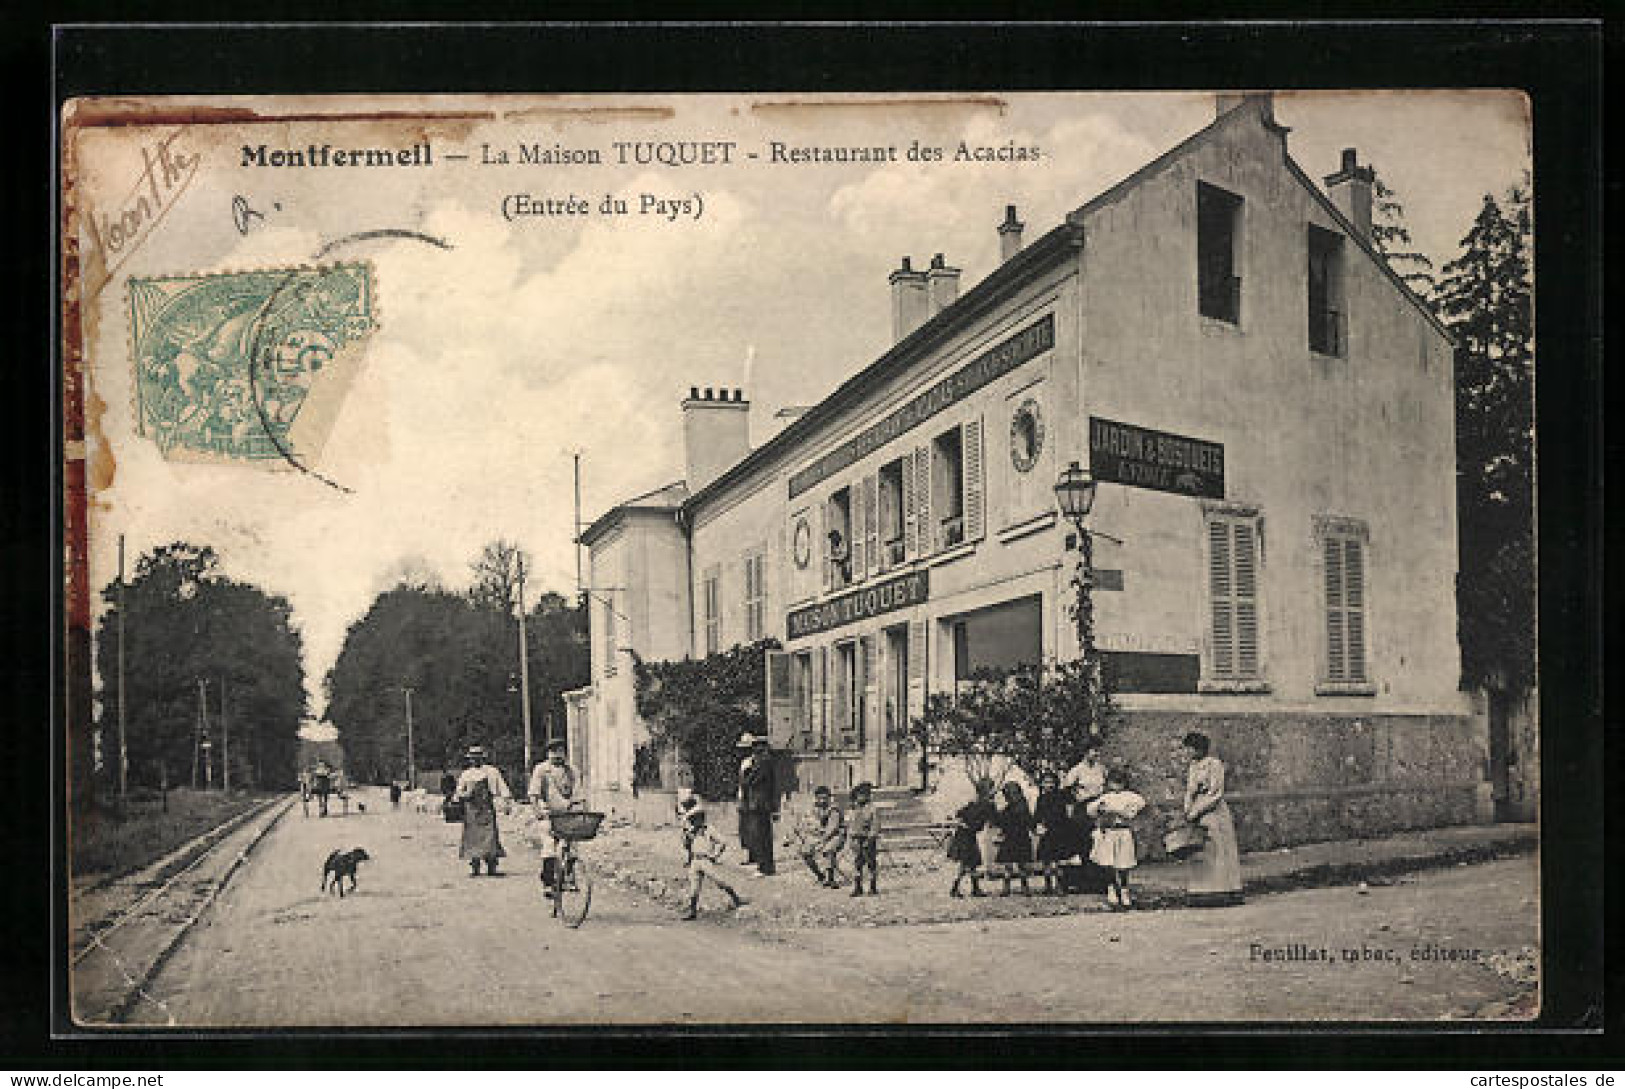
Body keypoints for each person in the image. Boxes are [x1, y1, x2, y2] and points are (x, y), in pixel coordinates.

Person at [1181, 731, 1244, 906]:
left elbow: (1216, 793)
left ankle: (1223, 891)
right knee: (1201, 851)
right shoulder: (1193, 766)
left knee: (1217, 850)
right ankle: (1201, 892)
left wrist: (1198, 810)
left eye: (1190, 749)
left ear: (1200, 748)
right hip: (1197, 809)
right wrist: (1188, 809)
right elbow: (1189, 790)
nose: (1188, 753)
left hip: (1213, 811)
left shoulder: (1214, 764)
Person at [1087, 769, 1147, 910]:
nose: (1116, 786)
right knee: (1109, 863)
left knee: (1123, 863)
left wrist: (1115, 810)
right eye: (1114, 783)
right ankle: (1111, 889)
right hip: (1109, 832)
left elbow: (1131, 813)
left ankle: (1124, 891)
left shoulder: (1131, 797)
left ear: (1124, 784)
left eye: (1120, 783)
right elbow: (1092, 811)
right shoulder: (1105, 797)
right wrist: (1102, 810)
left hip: (1123, 832)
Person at [677, 796, 744, 920]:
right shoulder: (690, 832)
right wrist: (687, 837)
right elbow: (687, 847)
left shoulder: (709, 830)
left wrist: (715, 856)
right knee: (694, 888)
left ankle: (736, 899)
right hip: (695, 861)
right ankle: (693, 912)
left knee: (720, 881)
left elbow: (723, 842)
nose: (693, 821)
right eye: (692, 819)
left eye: (696, 818)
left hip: (705, 860)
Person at [529, 738, 580, 898]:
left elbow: (579, 793)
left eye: (560, 751)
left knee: (572, 846)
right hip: (548, 813)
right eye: (553, 752)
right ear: (548, 754)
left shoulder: (572, 770)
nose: (557, 755)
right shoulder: (541, 770)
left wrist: (580, 808)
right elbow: (534, 794)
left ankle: (569, 877)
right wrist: (537, 811)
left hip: (567, 813)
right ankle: (548, 883)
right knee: (549, 846)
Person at [454, 745, 511, 877]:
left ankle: (492, 866)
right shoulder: (466, 774)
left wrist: (506, 801)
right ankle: (475, 866)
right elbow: (458, 792)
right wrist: (465, 794)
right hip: (472, 810)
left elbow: (502, 787)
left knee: (490, 837)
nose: (475, 760)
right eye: (473, 758)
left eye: (478, 758)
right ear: (469, 760)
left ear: (483, 758)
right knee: (472, 838)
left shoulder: (492, 772)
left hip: (487, 809)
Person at [1033, 770, 1085, 895]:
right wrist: (1038, 826)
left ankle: (1060, 885)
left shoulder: (1061, 796)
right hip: (1047, 832)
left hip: (1060, 832)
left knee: (1058, 861)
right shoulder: (1041, 798)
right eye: (1046, 782)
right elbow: (1037, 815)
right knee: (1046, 861)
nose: (1049, 785)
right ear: (1041, 784)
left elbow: (1070, 806)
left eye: (1051, 782)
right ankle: (1048, 886)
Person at [736, 733, 778, 876]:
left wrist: (745, 775)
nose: (754, 749)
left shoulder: (763, 762)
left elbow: (749, 782)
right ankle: (765, 866)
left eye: (757, 746)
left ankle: (764, 867)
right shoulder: (761, 761)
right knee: (760, 836)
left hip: (759, 804)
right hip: (758, 803)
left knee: (761, 836)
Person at [946, 777, 995, 898]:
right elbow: (993, 819)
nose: (992, 791)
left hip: (965, 834)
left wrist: (960, 821)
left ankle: (975, 888)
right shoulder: (986, 805)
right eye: (990, 789)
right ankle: (955, 888)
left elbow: (959, 814)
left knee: (972, 863)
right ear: (986, 791)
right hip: (966, 836)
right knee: (966, 864)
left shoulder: (974, 802)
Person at [789, 785, 846, 887]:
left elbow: (832, 829)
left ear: (829, 798)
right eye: (820, 798)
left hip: (836, 836)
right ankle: (820, 876)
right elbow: (807, 823)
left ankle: (831, 878)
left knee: (828, 849)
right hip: (820, 836)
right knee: (805, 851)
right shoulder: (814, 809)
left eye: (825, 798)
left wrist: (821, 841)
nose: (822, 801)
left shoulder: (834, 810)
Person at [991, 780, 1034, 896]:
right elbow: (999, 821)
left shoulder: (1021, 807)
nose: (1012, 796)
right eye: (1009, 794)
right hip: (1011, 838)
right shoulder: (1008, 809)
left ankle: (1023, 887)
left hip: (1020, 837)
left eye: (1015, 793)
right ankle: (1008, 887)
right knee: (1009, 864)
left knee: (1021, 864)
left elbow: (1029, 821)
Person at [846, 781, 881, 896]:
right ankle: (858, 886)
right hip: (856, 840)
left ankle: (872, 886)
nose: (861, 797)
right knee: (857, 863)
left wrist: (870, 839)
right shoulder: (853, 809)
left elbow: (875, 826)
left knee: (871, 863)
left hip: (868, 840)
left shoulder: (872, 809)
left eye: (864, 795)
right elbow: (850, 825)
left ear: (868, 796)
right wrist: (851, 839)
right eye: (858, 795)